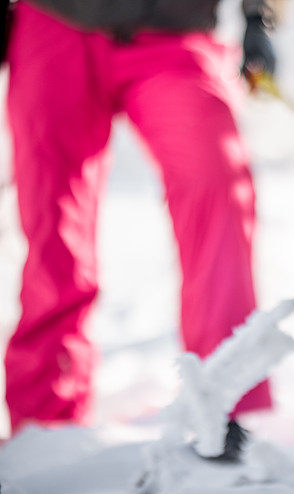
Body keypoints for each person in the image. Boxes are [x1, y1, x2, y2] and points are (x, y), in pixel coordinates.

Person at [3, 0, 278, 460]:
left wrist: (259, 15)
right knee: (53, 223)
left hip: (174, 28)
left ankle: (221, 398)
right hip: (55, 23)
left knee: (218, 186)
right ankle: (45, 420)